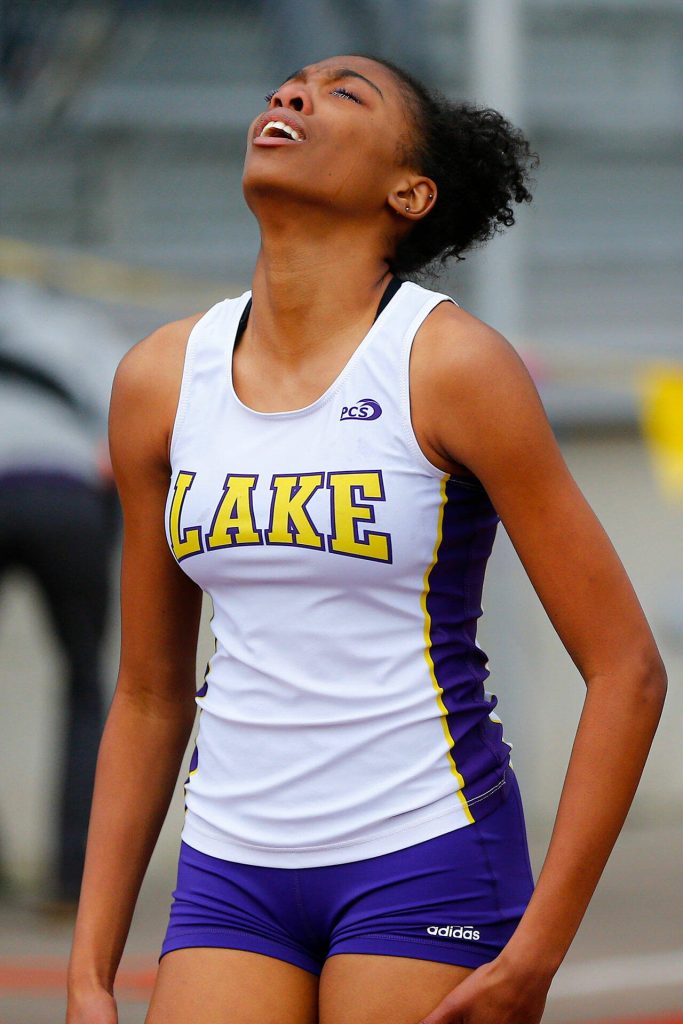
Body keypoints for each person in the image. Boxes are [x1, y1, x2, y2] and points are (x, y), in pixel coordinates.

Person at [65, 55, 667, 1024]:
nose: (290, 96)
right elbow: (145, 692)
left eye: (345, 93)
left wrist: (536, 952)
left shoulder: (450, 363)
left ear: (409, 191)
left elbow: (625, 670)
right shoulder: (159, 380)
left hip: (423, 856)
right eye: (286, 85)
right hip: (231, 869)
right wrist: (90, 970)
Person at [0, 277, 122, 911]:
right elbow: (125, 441)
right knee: (83, 682)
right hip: (65, 493)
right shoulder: (75, 324)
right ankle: (73, 880)